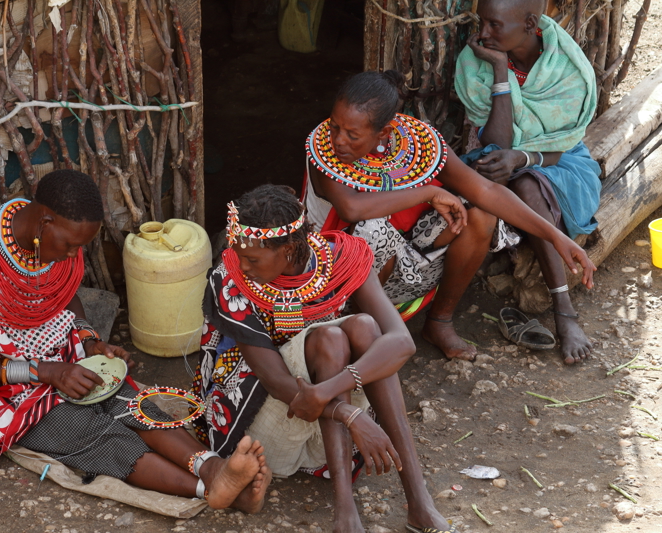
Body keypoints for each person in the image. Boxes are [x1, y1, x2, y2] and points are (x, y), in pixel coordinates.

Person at [0, 169, 270, 512]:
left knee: (127, 399)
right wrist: (45, 372)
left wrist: (89, 341)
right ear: (44, 222)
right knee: (89, 431)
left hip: (56, 357)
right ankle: (208, 490)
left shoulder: (53, 244)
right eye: (69, 245)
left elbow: (65, 295)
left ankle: (213, 468)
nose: (72, 255)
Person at [193, 184, 458, 533]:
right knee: (330, 337)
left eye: (253, 259)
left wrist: (328, 390)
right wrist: (348, 414)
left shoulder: (342, 258)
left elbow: (402, 343)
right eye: (238, 254)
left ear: (288, 250)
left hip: (323, 433)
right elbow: (274, 379)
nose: (243, 265)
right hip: (260, 433)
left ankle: (419, 501)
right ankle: (344, 512)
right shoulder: (229, 279)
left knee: (365, 327)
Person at [302, 70, 595, 362]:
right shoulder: (324, 153)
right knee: (371, 229)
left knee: (479, 213)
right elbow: (351, 209)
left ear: (384, 133)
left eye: (352, 134)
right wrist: (428, 192)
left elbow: (486, 190)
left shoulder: (417, 145)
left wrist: (555, 236)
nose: (339, 139)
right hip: (339, 279)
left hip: (414, 270)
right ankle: (365, 333)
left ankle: (439, 321)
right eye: (334, 126)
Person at [455, 0, 601, 364]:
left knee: (526, 184)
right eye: (481, 22)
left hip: (562, 163)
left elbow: (561, 147)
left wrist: (522, 158)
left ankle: (563, 310)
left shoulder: (565, 68)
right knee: (506, 174)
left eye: (494, 24)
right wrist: (501, 70)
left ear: (531, 23)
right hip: (493, 163)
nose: (483, 33)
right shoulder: (477, 62)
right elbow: (497, 144)